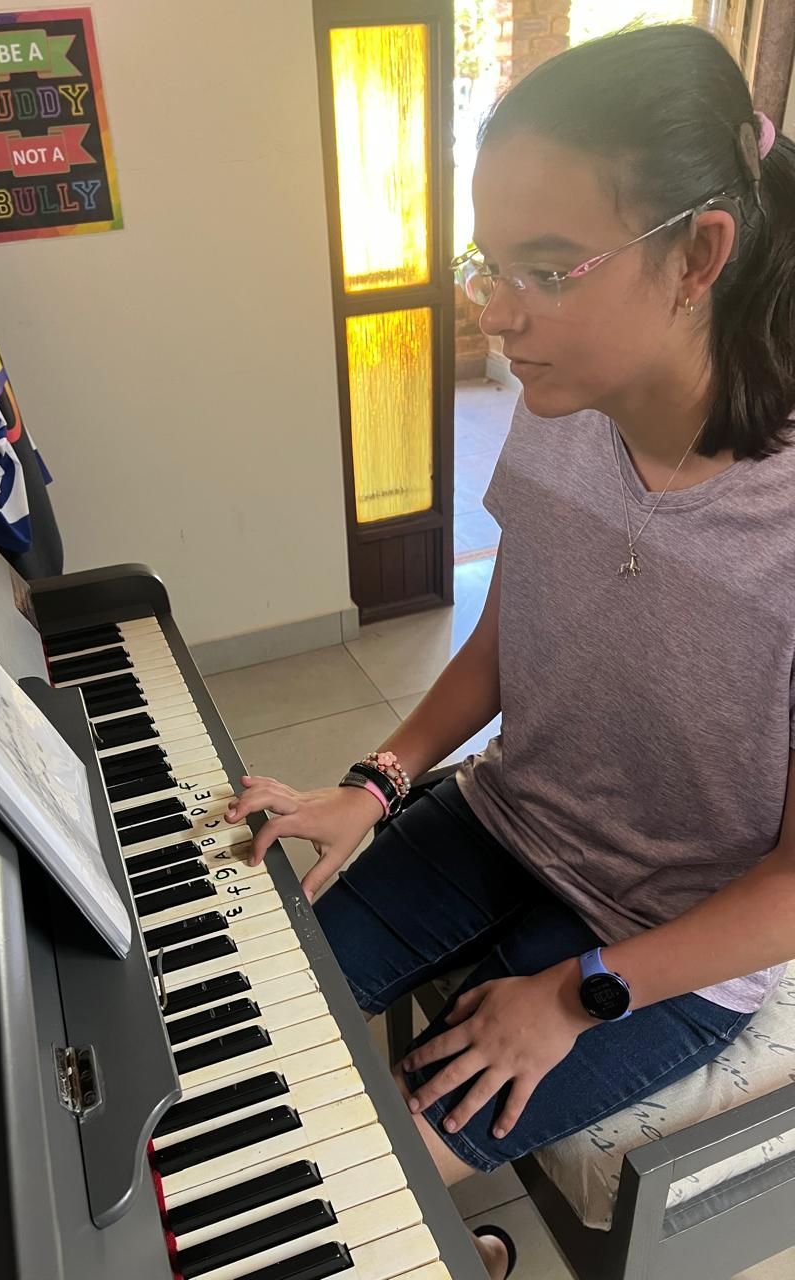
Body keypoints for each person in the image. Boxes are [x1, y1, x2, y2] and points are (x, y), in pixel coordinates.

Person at [225, 23, 795, 1279]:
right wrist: (372, 783)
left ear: (700, 253)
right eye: (491, 262)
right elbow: (512, 630)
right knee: (250, 985)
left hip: (673, 934)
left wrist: (580, 992)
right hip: (509, 819)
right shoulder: (566, 407)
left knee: (335, 1179)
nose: (494, 310)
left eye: (545, 268)